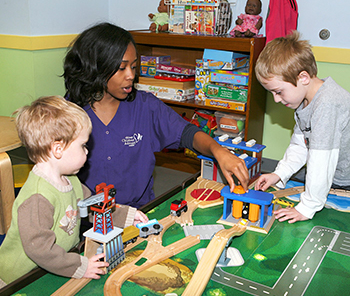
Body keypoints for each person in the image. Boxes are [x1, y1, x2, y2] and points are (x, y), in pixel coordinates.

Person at [63, 22, 249, 209]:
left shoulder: (145, 106)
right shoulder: (69, 111)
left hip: (138, 212)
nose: (130, 75)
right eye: (121, 68)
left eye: (134, 67)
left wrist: (219, 151)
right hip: (87, 218)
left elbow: (187, 133)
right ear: (95, 68)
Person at [0, 96, 147, 287]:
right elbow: (40, 249)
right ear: (58, 149)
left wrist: (128, 216)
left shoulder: (71, 180)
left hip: (51, 269)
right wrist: (79, 265)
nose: (87, 152)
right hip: (17, 279)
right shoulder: (37, 198)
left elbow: (96, 207)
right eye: (83, 145)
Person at [254, 31, 350, 223]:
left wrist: (307, 207)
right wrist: (278, 173)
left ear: (303, 77)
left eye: (279, 91)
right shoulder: (304, 100)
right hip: (336, 177)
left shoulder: (327, 103)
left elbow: (321, 159)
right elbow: (300, 145)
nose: (276, 99)